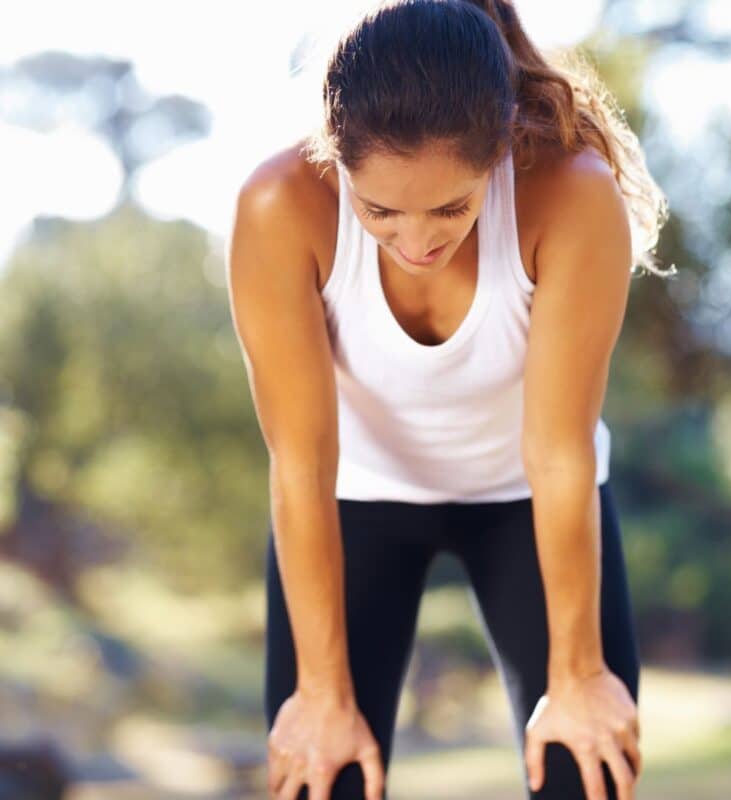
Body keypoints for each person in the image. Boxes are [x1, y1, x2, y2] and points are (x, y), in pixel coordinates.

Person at [227, 1, 673, 798]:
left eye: (452, 208)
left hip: (527, 498)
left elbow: (560, 451)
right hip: (350, 500)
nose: (416, 242)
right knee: (322, 770)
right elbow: (300, 462)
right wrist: (322, 693)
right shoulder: (278, 205)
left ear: (502, 149)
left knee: (587, 763)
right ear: (336, 157)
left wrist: (577, 676)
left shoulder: (571, 193)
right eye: (380, 211)